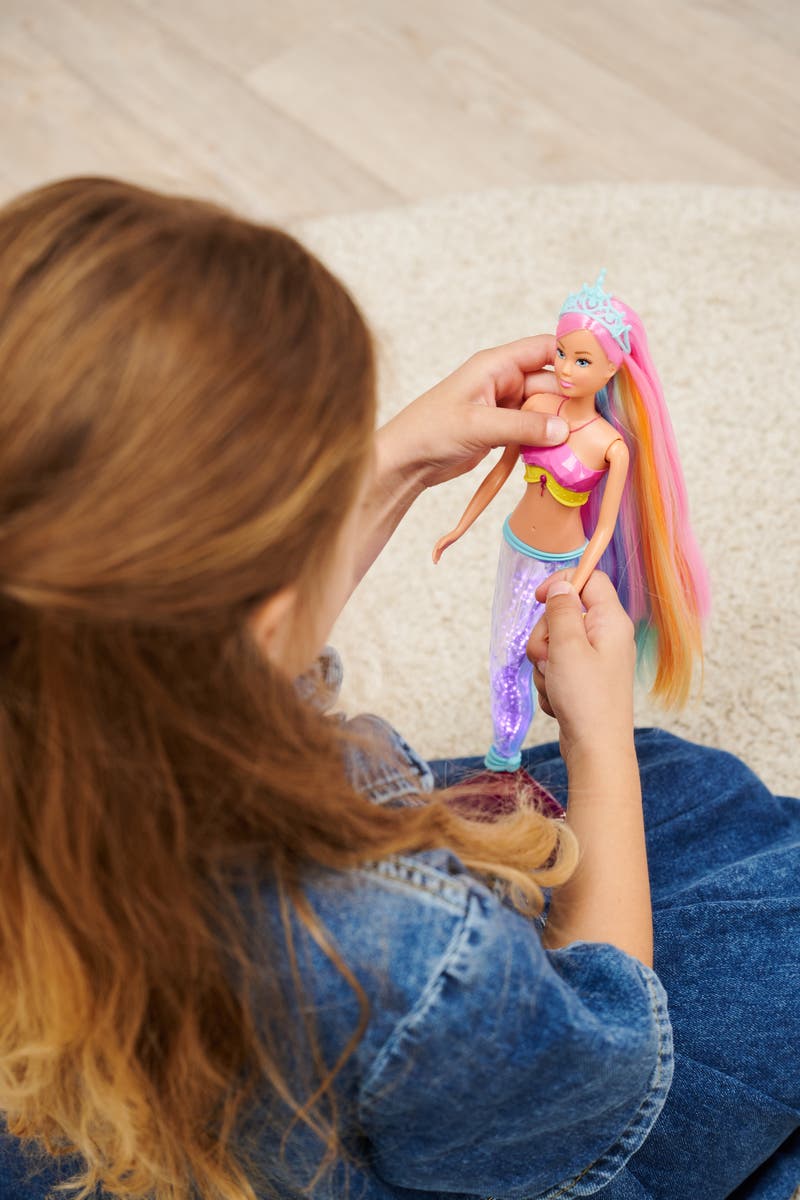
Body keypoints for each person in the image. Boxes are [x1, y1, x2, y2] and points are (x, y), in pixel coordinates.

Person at [0, 177, 797, 1200]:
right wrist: (594, 733)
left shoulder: (69, 665)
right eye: (325, 487)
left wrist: (392, 465)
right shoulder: (398, 944)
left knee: (693, 787)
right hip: (486, 1112)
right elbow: (598, 1070)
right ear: (263, 615)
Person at [433, 273, 710, 773]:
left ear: (611, 370)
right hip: (514, 544)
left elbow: (604, 528)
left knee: (544, 659)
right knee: (503, 654)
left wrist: (575, 582)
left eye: (581, 360)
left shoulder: (611, 446)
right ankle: (505, 756)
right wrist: (459, 525)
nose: (564, 368)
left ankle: (519, 756)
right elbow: (500, 471)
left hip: (561, 564)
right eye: (560, 353)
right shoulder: (536, 407)